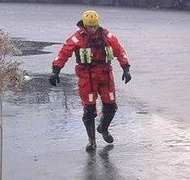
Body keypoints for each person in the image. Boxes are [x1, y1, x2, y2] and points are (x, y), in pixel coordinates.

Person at [49, 10, 132, 152]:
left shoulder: (107, 36)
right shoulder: (77, 38)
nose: (92, 29)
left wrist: (126, 68)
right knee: (89, 110)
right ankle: (92, 141)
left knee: (111, 106)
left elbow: (119, 50)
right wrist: (56, 70)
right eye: (89, 27)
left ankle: (103, 128)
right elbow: (64, 53)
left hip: (105, 74)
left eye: (94, 27)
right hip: (87, 76)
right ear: (84, 26)